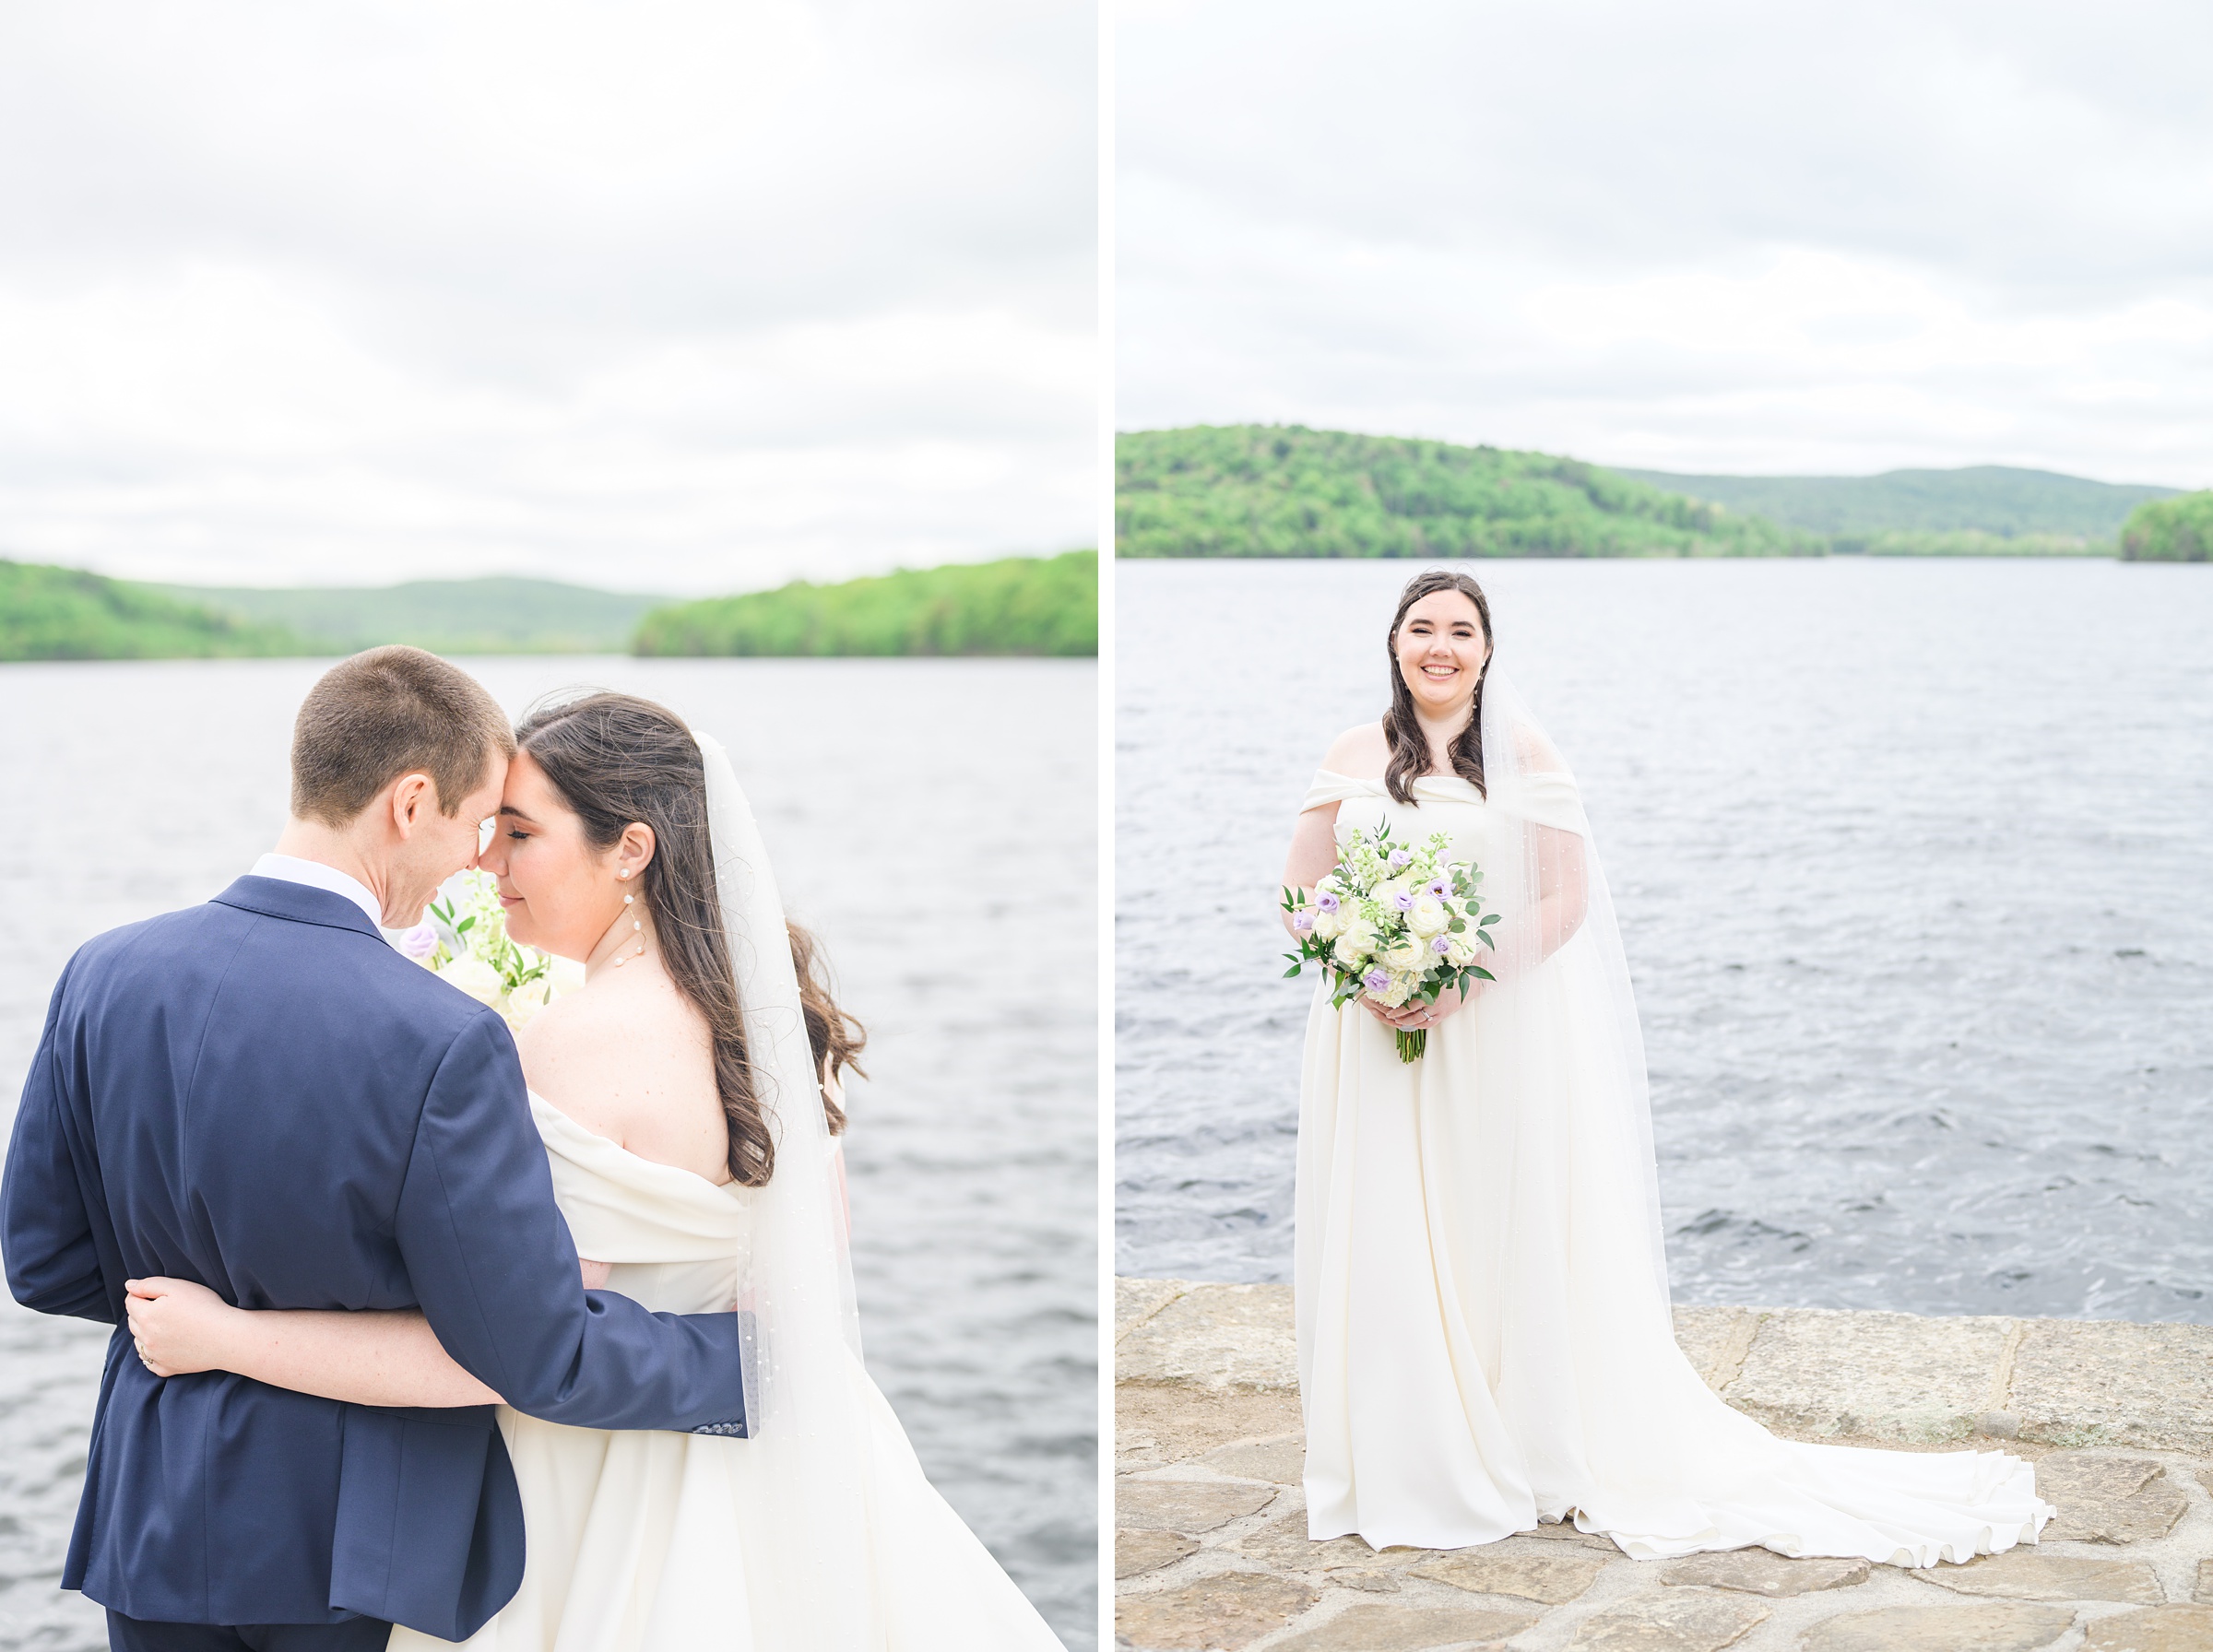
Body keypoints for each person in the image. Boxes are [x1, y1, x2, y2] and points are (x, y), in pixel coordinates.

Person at [124, 690, 1064, 1651]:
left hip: (595, 1489)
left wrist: (227, 1336)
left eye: (519, 833)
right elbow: (809, 1263)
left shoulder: (570, 1042)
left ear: (631, 849)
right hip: (801, 1456)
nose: (486, 861)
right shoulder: (780, 1022)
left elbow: (504, 1354)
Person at [1280, 568, 2053, 1564]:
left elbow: (1563, 901)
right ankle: (1400, 1445)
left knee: (1483, 1219)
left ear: (1485, 651)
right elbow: (1302, 890)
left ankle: (1506, 1431)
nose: (1440, 646)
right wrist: (1365, 960)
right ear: (1393, 643)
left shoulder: (1525, 756)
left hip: (1483, 1028)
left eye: (1461, 631)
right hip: (1372, 1031)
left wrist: (1459, 976)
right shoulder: (1352, 752)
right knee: (1383, 1225)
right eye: (1421, 627)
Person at [1, 649, 751, 1652]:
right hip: (354, 1542)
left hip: (154, 1520)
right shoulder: (440, 1036)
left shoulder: (102, 974)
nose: (480, 861)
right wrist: (748, 1364)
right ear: (409, 803)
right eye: (480, 821)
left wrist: (201, 1320)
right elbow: (526, 1347)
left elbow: (43, 1262)